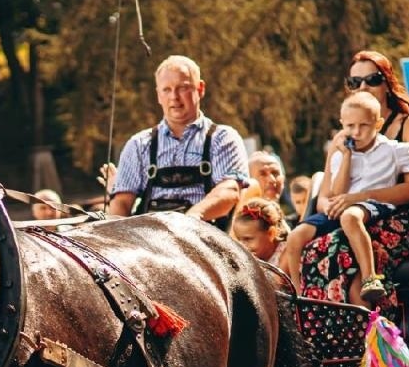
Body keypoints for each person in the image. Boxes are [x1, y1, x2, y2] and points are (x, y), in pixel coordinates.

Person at [280, 92, 409, 305]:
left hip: (378, 214)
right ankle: (299, 296)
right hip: (342, 211)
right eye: (350, 126)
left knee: (340, 240)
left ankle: (369, 288)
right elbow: (331, 194)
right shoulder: (341, 149)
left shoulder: (394, 145)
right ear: (343, 125)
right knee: (300, 238)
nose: (356, 132)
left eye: (363, 126)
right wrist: (345, 157)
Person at [104, 55, 249, 225]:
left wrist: (192, 218)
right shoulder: (138, 145)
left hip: (205, 238)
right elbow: (121, 203)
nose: (174, 97)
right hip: (149, 241)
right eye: (167, 89)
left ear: (200, 89)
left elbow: (229, 191)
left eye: (182, 88)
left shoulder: (223, 138)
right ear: (158, 95)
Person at [342, 50, 409, 153]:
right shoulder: (345, 134)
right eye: (355, 82)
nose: (363, 87)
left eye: (373, 79)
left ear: (387, 84)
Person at [243, 150, 298, 222]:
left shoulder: (300, 224)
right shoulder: (238, 227)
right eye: (263, 174)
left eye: (275, 173)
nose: (272, 180)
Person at [231, 198, 288, 263]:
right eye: (238, 239)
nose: (242, 245)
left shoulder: (287, 256)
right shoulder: (249, 258)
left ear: (271, 233)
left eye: (247, 239)